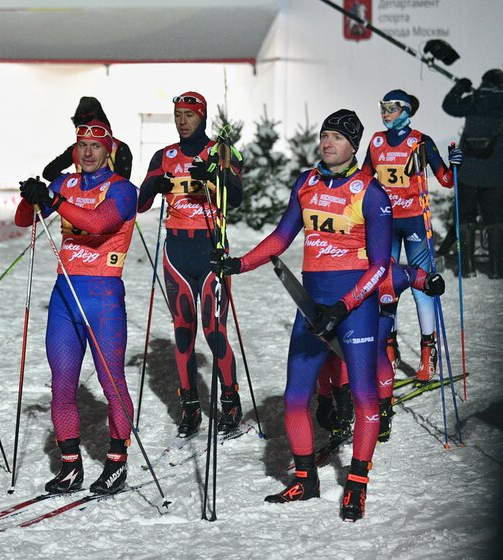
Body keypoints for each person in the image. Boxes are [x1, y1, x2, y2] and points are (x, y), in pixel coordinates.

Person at [214, 109, 392, 521]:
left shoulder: (371, 192)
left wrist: (345, 305)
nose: (327, 142)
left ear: (354, 146)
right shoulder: (306, 183)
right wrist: (239, 264)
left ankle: (356, 484)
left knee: (364, 395)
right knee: (295, 397)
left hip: (354, 308)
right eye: (325, 135)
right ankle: (305, 479)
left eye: (337, 137)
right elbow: (281, 237)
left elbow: (381, 265)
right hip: (311, 306)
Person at [16, 118, 138, 496]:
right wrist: (32, 196)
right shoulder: (65, 184)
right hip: (65, 297)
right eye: (82, 145)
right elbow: (23, 220)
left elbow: (99, 223)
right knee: (62, 383)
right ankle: (70, 465)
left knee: (111, 382)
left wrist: (53, 200)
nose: (87, 152)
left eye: (95, 146)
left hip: (104, 298)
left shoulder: (122, 189)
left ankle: (116, 462)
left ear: (108, 151)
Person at [136, 91, 244, 438]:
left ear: (203, 117)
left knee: (214, 330)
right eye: (178, 115)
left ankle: (230, 400)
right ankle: (190, 406)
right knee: (183, 330)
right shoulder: (164, 156)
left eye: (190, 115)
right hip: (177, 252)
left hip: (211, 250)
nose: (182, 121)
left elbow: (237, 197)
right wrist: (154, 185)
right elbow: (140, 203)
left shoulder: (220, 151)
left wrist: (214, 174)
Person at [361, 89, 460, 383]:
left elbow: (446, 180)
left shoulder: (420, 141)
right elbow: (363, 181)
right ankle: (387, 350)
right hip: (385, 225)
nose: (385, 113)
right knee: (386, 285)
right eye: (382, 107)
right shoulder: (376, 141)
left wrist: (456, 164)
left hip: (416, 222)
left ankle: (428, 350)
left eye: (391, 108)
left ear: (406, 111)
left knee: (422, 287)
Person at [316, 261, 446, 443]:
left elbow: (413, 275)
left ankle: (384, 413)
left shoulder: (395, 277)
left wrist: (429, 281)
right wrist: (324, 397)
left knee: (376, 348)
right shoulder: (347, 273)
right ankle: (343, 411)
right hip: (351, 290)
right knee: (340, 345)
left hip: (383, 300)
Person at [442, 68, 503, 279]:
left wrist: (461, 86)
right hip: (496, 175)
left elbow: (449, 105)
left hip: (467, 173)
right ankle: (497, 269)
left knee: (465, 219)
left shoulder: (473, 100)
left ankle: (467, 268)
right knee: (495, 220)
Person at [42, 96, 133, 182]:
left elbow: (122, 186)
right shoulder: (75, 148)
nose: (87, 153)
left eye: (96, 146)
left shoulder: (120, 148)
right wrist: (73, 185)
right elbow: (49, 172)